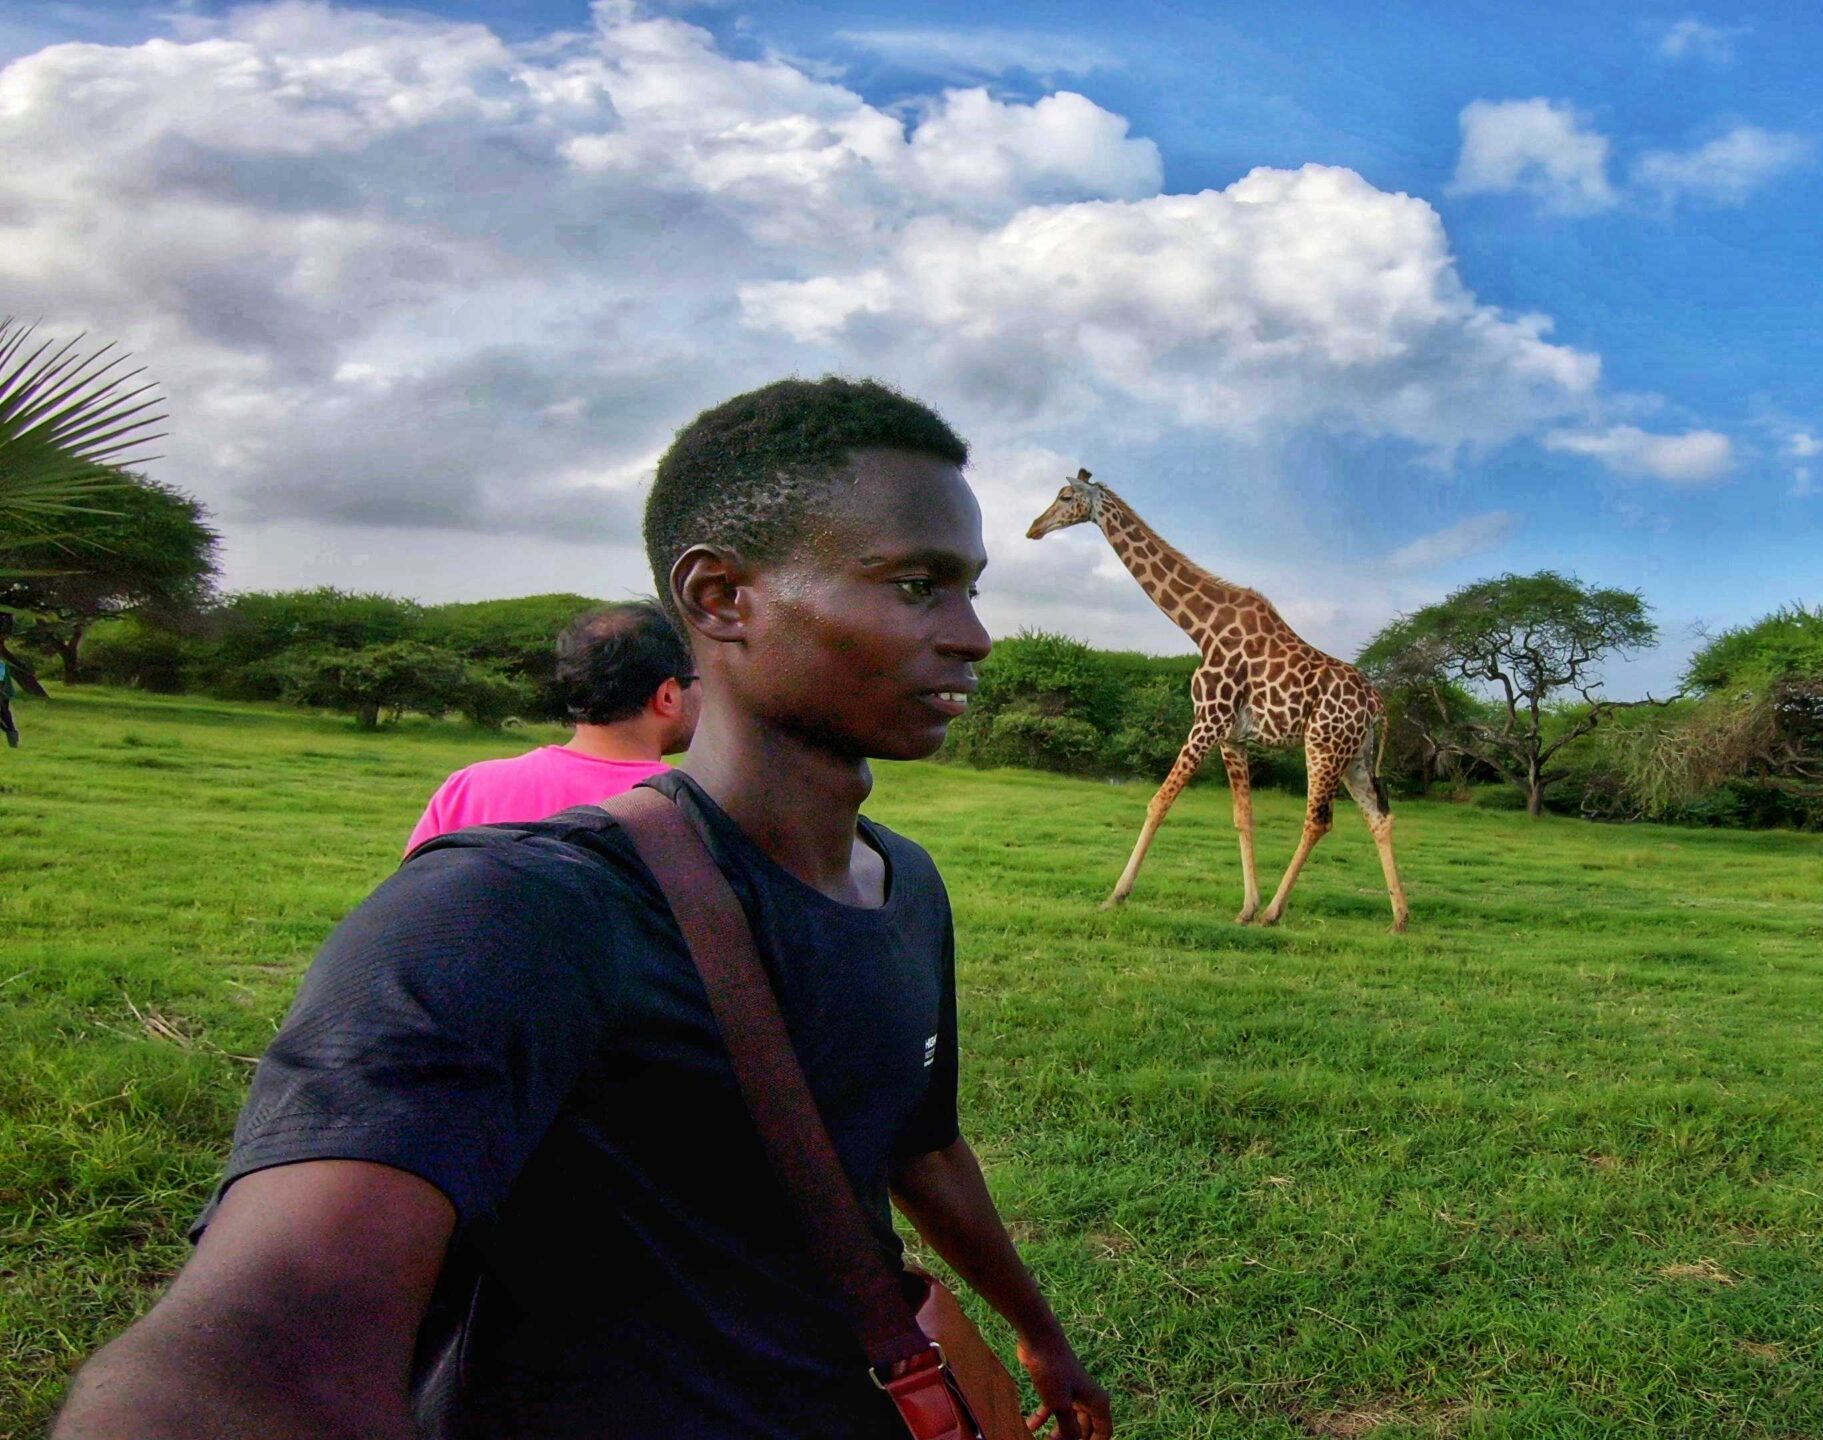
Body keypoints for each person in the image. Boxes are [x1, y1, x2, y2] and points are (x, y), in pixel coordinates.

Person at [53, 377, 1113, 1440]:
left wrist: (1039, 1333)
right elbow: (259, 1344)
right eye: (918, 584)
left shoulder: (907, 885)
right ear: (719, 599)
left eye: (970, 588)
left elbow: (920, 1149)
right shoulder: (516, 907)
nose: (973, 635)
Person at [406, 600, 700, 853]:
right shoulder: (698, 806)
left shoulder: (468, 789)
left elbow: (408, 906)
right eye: (702, 682)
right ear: (668, 695)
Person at [1, 655, 18, 748]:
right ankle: (12, 736)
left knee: (5, 716)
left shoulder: (0, 664)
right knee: (5, 716)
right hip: (3, 693)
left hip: (3, 694)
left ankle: (12, 737)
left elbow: (1, 682)